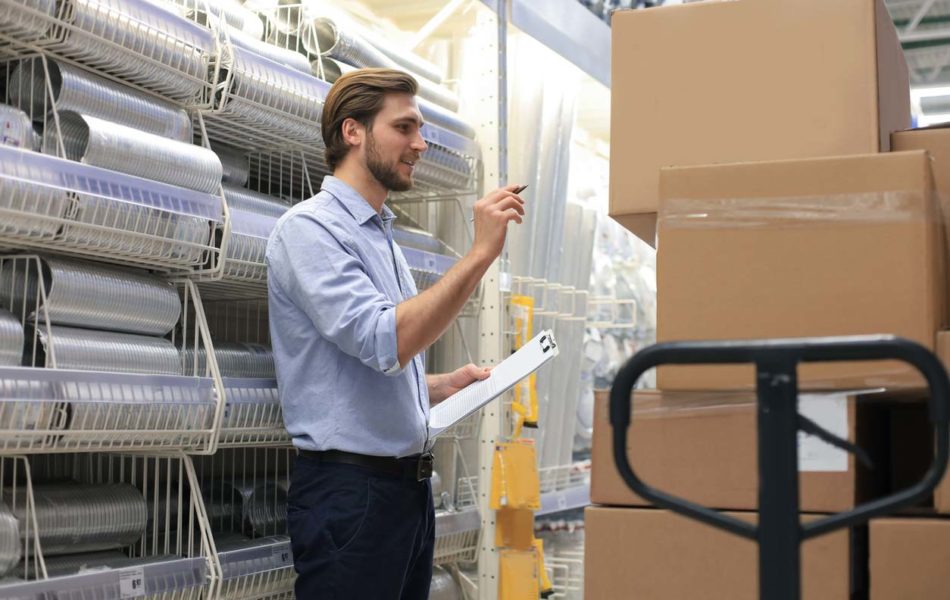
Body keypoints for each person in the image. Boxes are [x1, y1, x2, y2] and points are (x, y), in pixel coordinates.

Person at [265, 67, 527, 599]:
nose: (420, 143)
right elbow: (386, 341)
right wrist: (479, 254)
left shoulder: (382, 234)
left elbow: (359, 370)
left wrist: (438, 386)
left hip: (402, 494)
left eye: (420, 129)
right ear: (352, 131)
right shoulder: (310, 230)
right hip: (351, 495)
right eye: (405, 128)